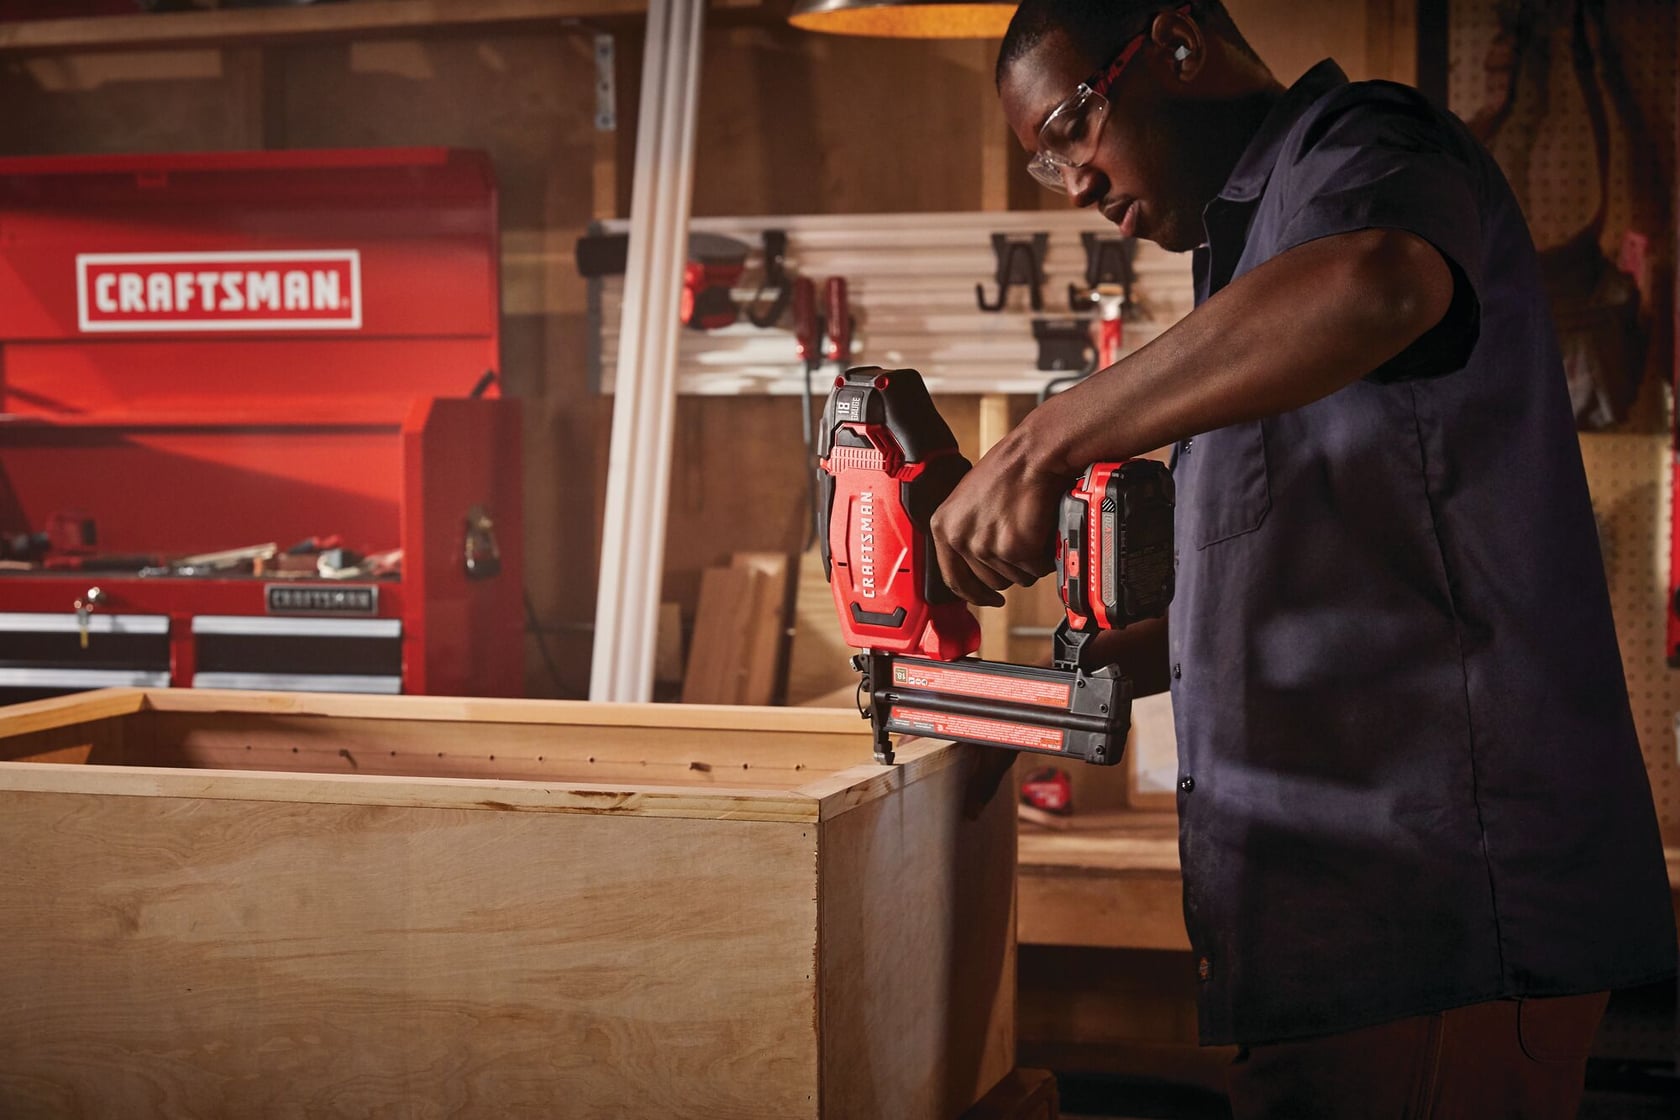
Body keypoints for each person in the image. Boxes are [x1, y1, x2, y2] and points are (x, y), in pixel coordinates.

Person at [932, 1, 1678, 1115]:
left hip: (1438, 916)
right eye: (1049, 163)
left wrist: (1047, 437)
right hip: (1341, 936)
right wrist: (1026, 702)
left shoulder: (1364, 141)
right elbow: (1250, 602)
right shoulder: (1251, 274)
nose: (1076, 181)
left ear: (1177, 45)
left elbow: (1384, 276)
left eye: (1076, 125)